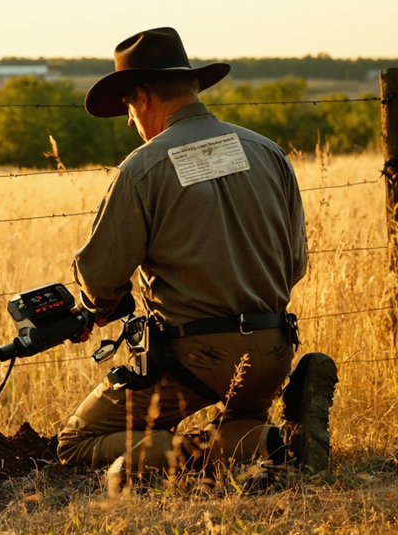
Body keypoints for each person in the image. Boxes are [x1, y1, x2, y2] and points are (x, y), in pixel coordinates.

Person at [56, 27, 338, 494]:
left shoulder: (143, 167)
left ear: (142, 97)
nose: (129, 122)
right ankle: (269, 437)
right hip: (271, 350)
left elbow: (99, 278)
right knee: (244, 413)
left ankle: (243, 447)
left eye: (128, 108)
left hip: (195, 358)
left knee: (78, 440)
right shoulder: (268, 153)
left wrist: (101, 302)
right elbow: (295, 265)